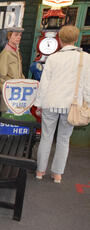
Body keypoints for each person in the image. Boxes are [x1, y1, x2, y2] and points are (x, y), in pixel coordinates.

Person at [34, 25, 90, 183]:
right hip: (72, 105)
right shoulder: (85, 58)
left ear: (59, 39)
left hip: (51, 102)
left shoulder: (53, 58)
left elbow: (44, 84)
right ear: (76, 39)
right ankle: (57, 174)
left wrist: (39, 104)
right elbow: (87, 85)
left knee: (46, 137)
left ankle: (40, 171)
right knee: (64, 139)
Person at [0, 27, 25, 113]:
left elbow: (20, 73)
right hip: (10, 93)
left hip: (17, 92)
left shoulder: (15, 52)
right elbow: (2, 78)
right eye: (16, 35)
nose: (19, 37)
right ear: (9, 36)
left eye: (20, 35)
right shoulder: (6, 54)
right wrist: (7, 94)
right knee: (7, 118)